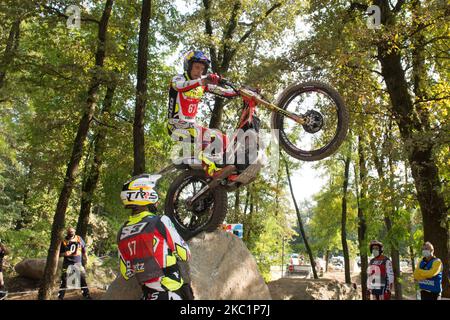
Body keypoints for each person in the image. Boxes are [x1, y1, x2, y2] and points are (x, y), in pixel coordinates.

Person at [118, 173, 194, 300]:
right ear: (143, 194)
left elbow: (126, 272)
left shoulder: (122, 231)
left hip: (147, 295)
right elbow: (185, 254)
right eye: (153, 189)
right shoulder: (160, 221)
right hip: (171, 293)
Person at [167, 50, 239, 179]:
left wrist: (241, 91)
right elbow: (180, 86)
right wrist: (203, 81)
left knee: (223, 139)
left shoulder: (202, 84)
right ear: (188, 66)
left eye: (202, 69)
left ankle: (223, 170)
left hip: (191, 127)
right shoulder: (178, 79)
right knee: (205, 133)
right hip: (175, 125)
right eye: (196, 67)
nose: (199, 72)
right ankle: (210, 170)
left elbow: (224, 92)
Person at [58, 227, 91, 300]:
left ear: (74, 232)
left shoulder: (79, 238)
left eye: (72, 232)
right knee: (64, 279)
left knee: (82, 278)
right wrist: (64, 254)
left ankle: (86, 295)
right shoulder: (63, 241)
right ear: (67, 232)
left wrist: (86, 258)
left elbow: (84, 250)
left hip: (77, 262)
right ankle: (60, 296)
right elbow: (59, 254)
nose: (71, 233)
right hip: (67, 263)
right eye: (69, 232)